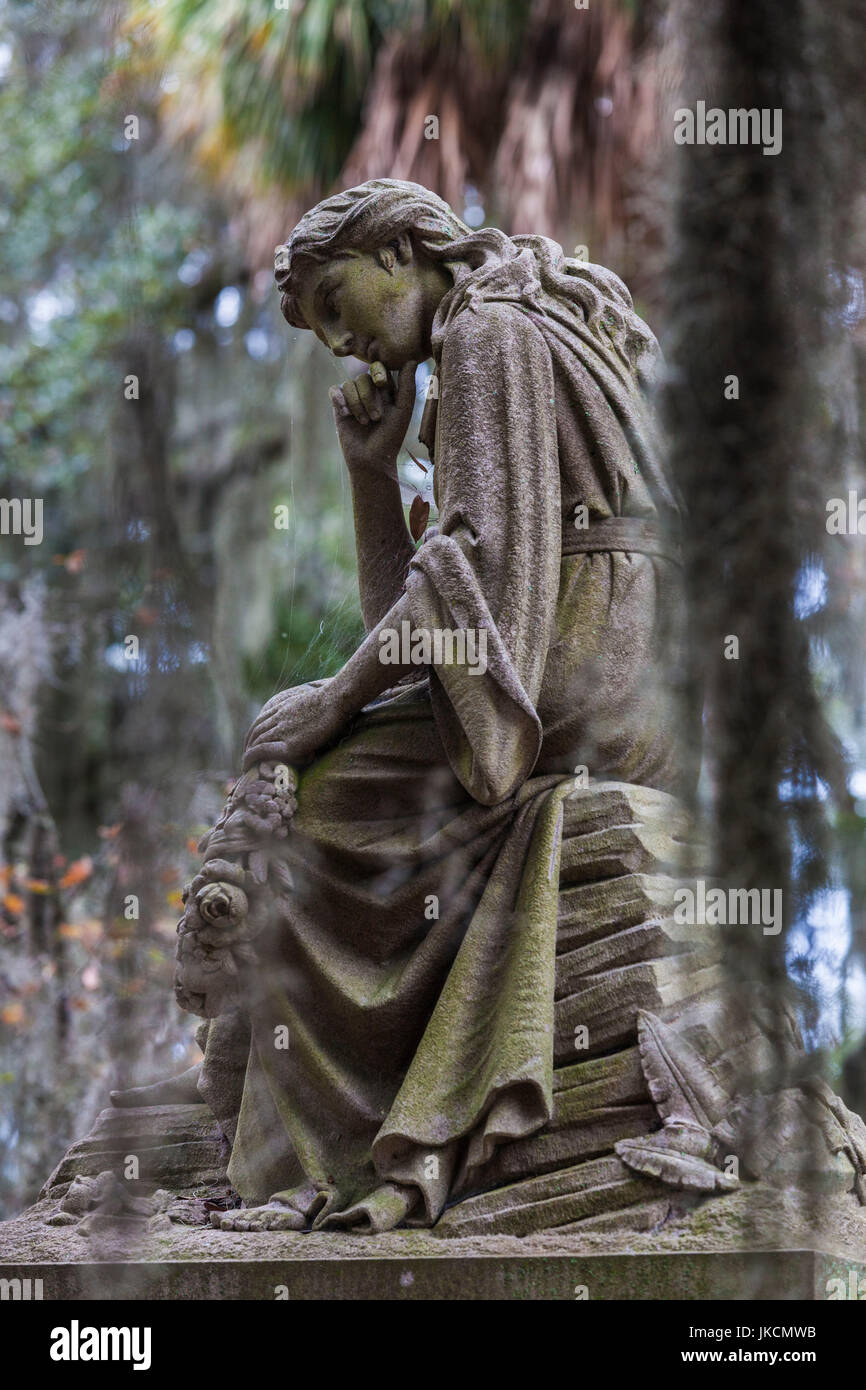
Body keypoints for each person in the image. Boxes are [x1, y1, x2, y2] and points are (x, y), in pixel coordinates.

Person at [200, 178, 685, 1233]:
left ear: (397, 254)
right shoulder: (521, 313)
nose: (337, 342)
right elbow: (443, 630)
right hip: (610, 670)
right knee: (316, 741)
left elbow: (466, 577)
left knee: (314, 800)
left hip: (588, 669)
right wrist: (373, 479)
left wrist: (330, 704)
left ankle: (310, 1165)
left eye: (335, 303)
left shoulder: (485, 334)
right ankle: (299, 1151)